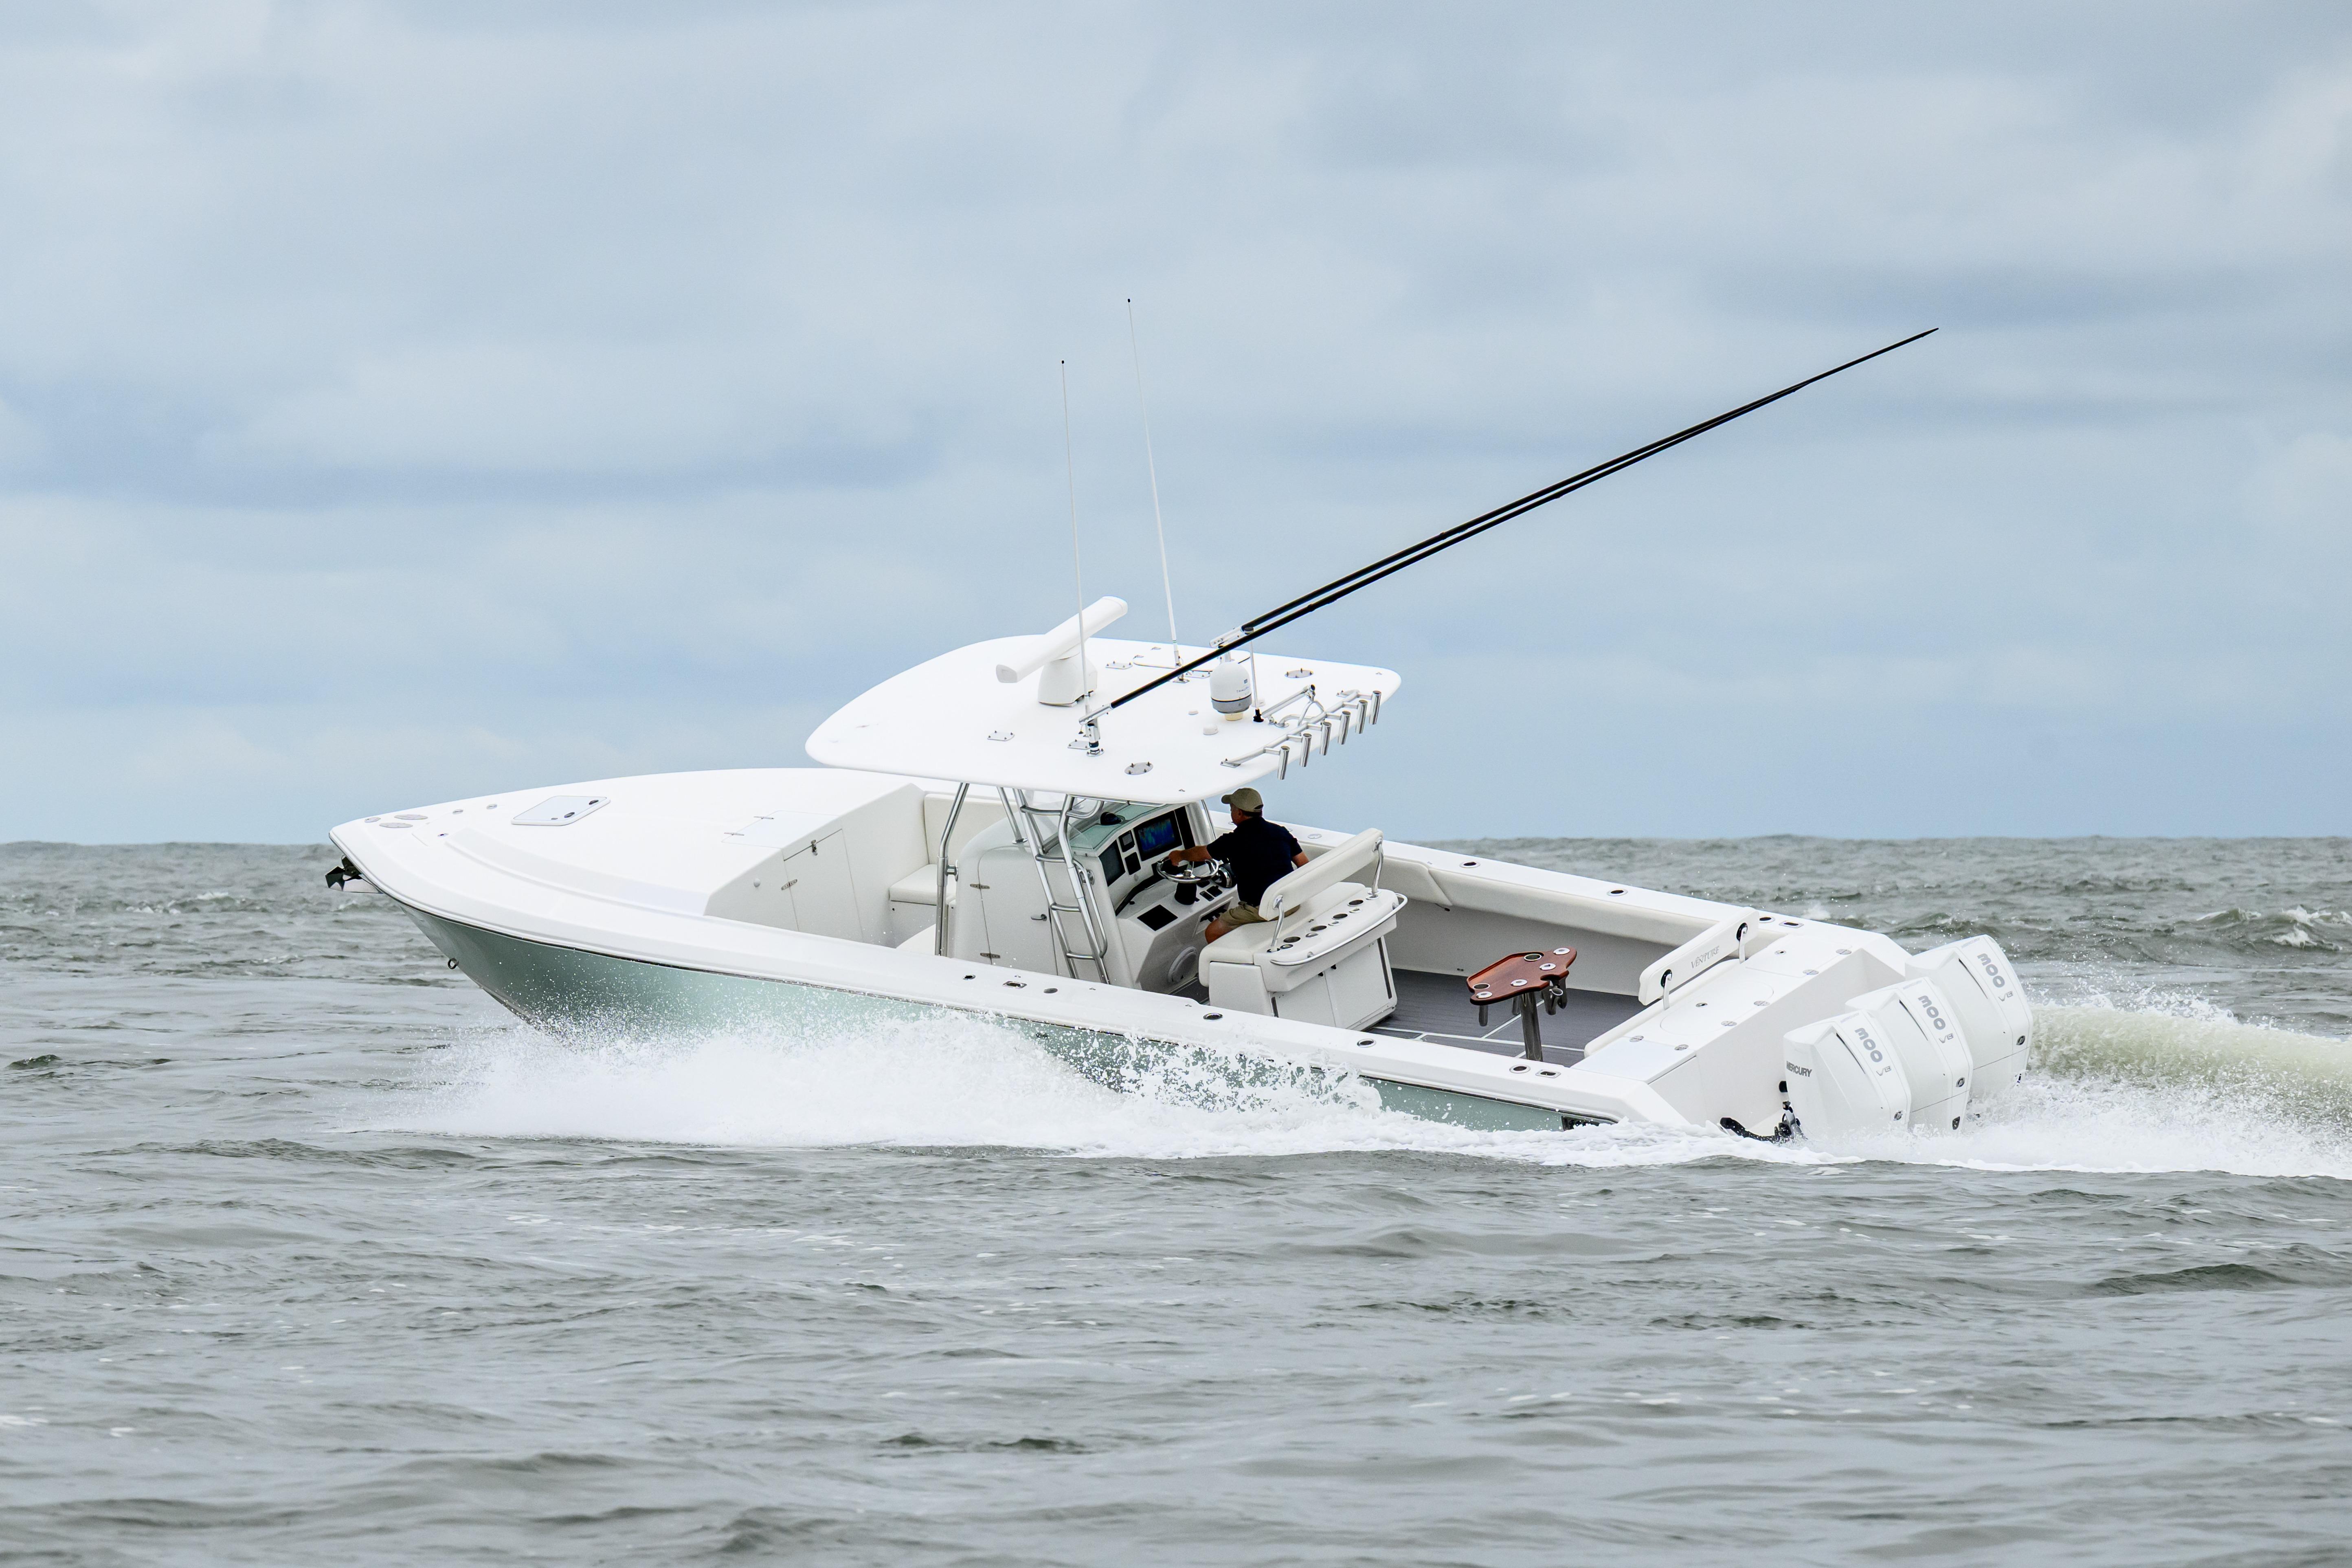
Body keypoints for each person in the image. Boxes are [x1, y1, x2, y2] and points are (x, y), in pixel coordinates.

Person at [1162, 786, 1308, 946]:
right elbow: (1304, 864)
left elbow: (1201, 854)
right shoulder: (1280, 832)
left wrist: (1180, 855)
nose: (1231, 813)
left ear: (1239, 813)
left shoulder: (1233, 841)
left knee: (1213, 932)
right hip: (1291, 901)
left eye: (1232, 809)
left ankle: (1234, 966)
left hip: (1262, 909)